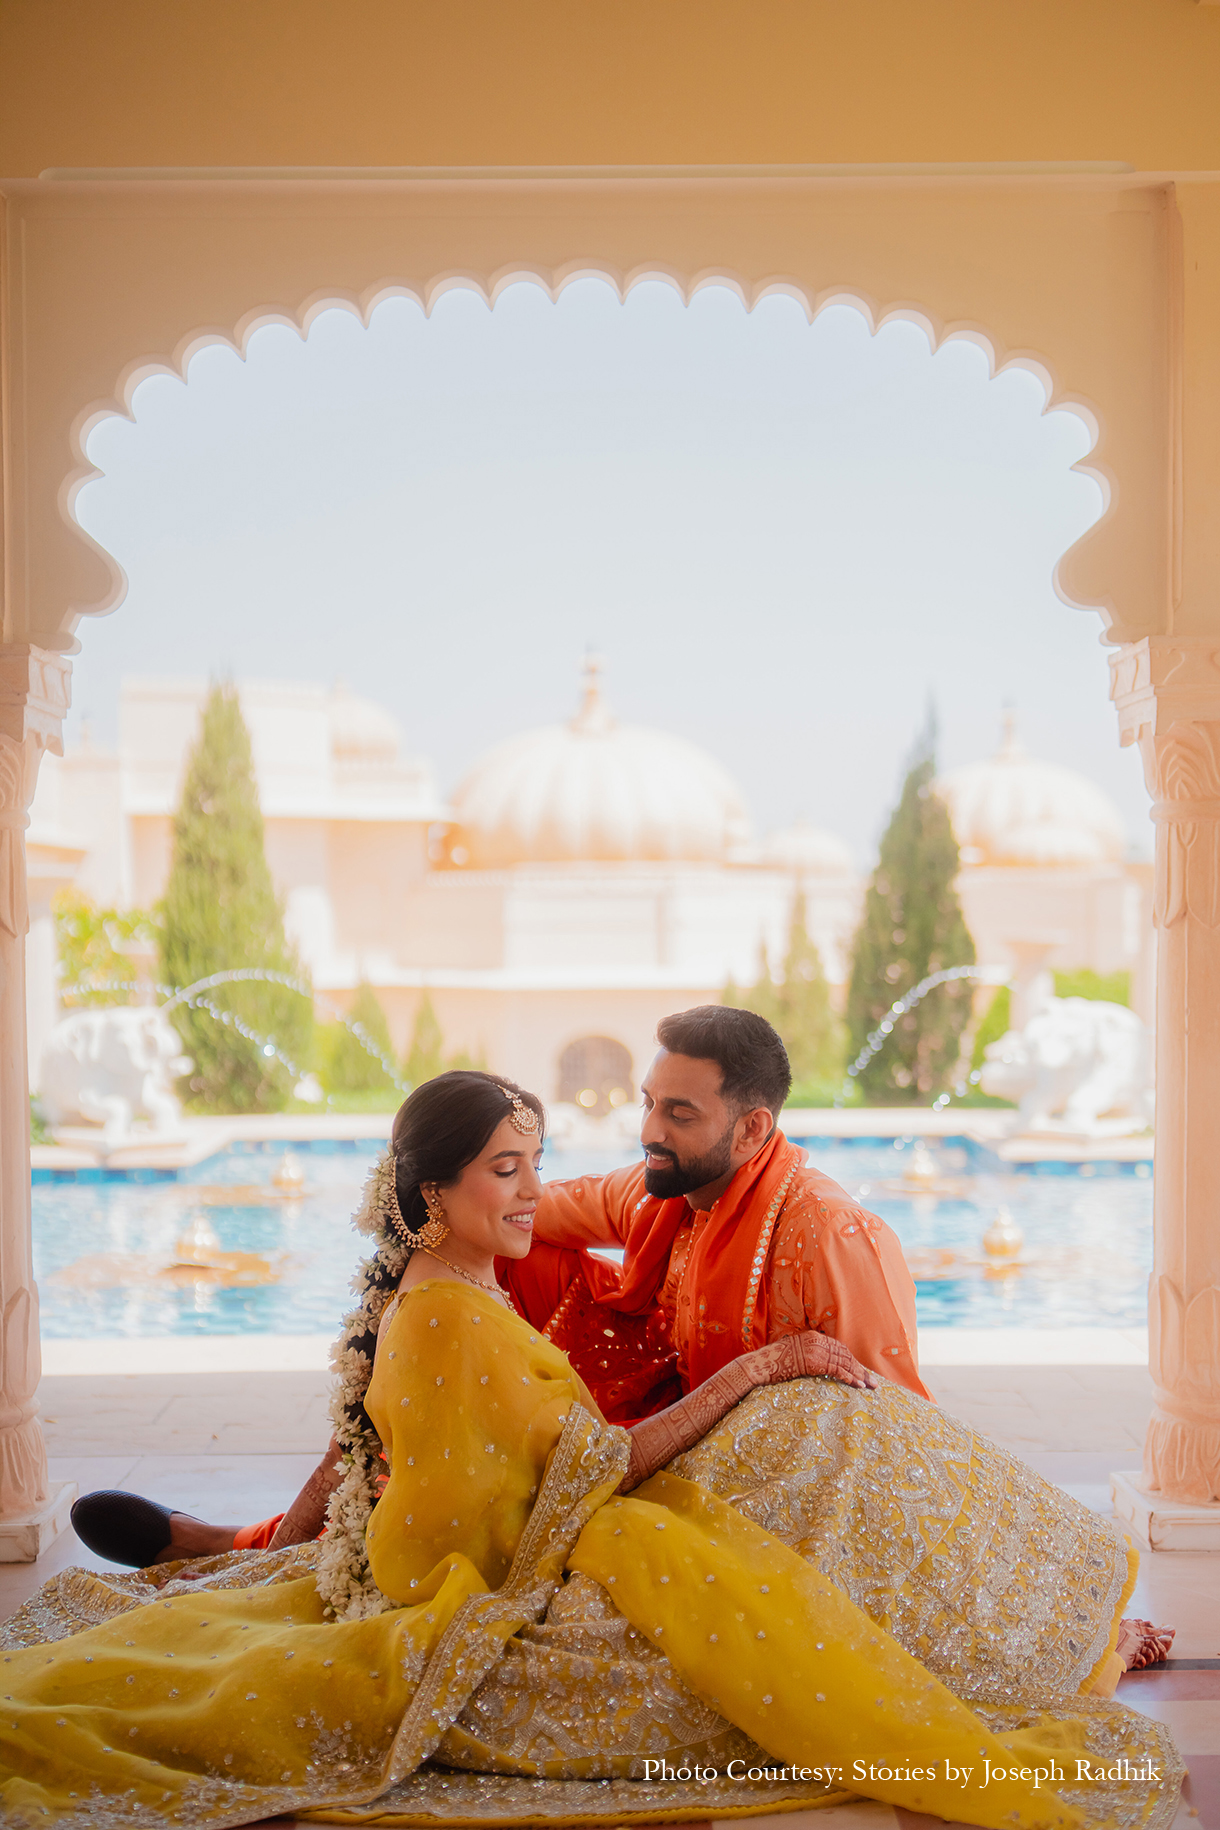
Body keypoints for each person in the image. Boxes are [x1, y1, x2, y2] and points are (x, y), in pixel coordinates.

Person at [6, 1072, 1180, 1830]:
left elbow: (892, 1389)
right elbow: (585, 1466)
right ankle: (1047, 1638)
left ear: (747, 1124)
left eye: (674, 1112)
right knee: (808, 1507)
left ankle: (1046, 1613)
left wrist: (786, 1396)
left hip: (610, 1474)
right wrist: (760, 1370)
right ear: (431, 1195)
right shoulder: (474, 1304)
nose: (535, 1191)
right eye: (505, 1170)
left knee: (847, 1440)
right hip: (547, 1550)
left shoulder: (811, 1225)